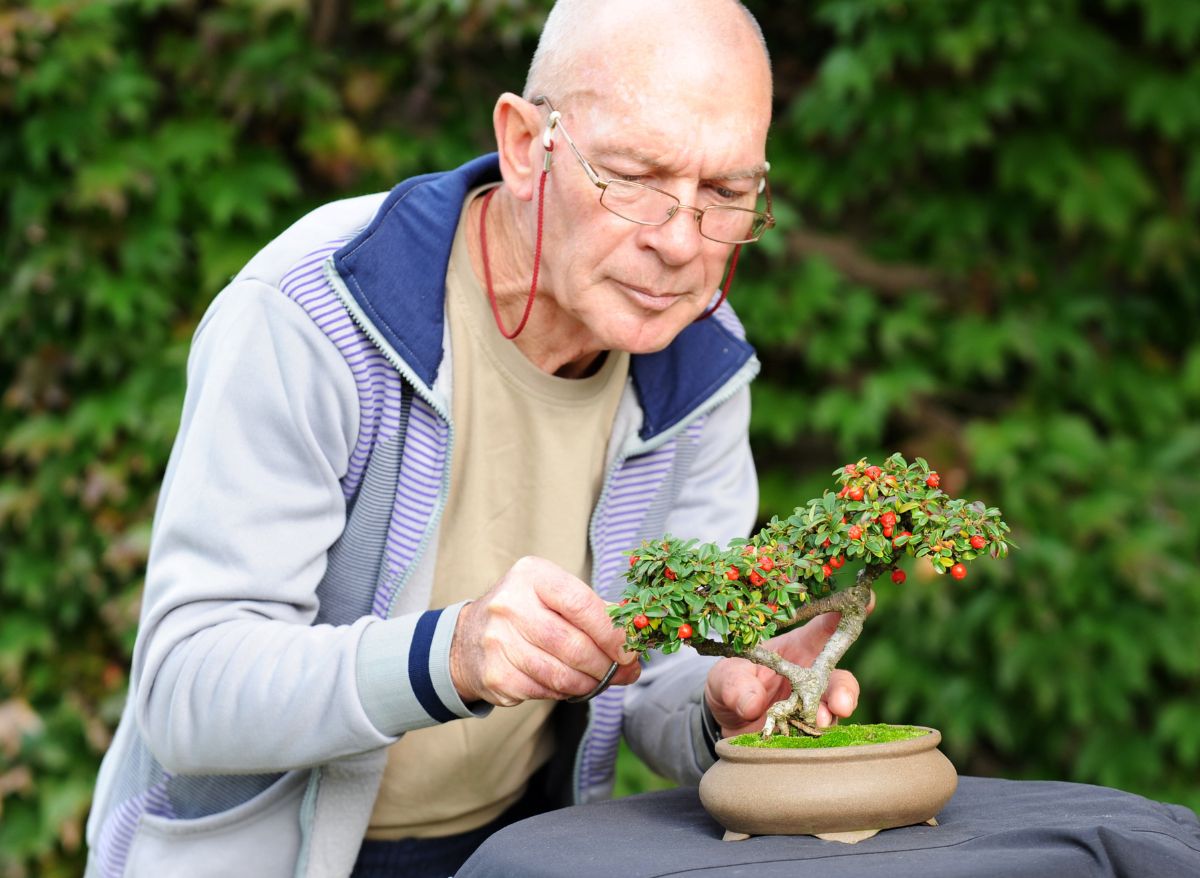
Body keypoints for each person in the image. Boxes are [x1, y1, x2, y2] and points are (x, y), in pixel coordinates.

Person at [84, 2, 865, 876]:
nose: (682, 243)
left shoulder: (703, 362)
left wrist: (721, 703)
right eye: (635, 177)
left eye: (724, 192)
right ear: (527, 145)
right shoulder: (313, 311)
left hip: (516, 849)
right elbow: (187, 688)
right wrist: (448, 656)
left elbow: (654, 671)